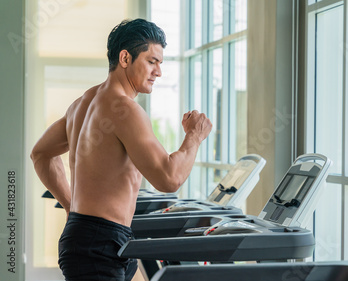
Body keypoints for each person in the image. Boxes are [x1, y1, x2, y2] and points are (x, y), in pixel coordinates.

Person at [30, 18, 212, 281]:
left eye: (160, 63)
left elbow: (41, 153)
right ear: (125, 58)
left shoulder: (82, 104)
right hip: (99, 244)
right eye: (152, 61)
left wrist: (71, 206)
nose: (158, 72)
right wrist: (194, 137)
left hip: (98, 237)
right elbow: (169, 178)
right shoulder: (125, 109)